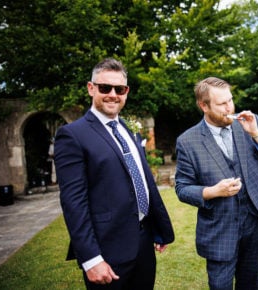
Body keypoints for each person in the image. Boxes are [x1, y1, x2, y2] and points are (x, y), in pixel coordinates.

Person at [54, 58, 174, 289]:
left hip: (143, 243)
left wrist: (158, 228)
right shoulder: (72, 135)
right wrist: (91, 259)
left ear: (126, 91)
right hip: (107, 251)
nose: (113, 94)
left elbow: (143, 179)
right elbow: (73, 202)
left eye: (119, 89)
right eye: (104, 88)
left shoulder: (124, 129)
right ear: (91, 88)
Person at [175, 77, 258, 290]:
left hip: (255, 225)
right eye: (222, 104)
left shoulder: (249, 124)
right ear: (204, 106)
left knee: (250, 285)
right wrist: (212, 191)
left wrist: (256, 133)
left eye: (230, 100)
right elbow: (182, 188)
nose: (230, 107)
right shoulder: (187, 141)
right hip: (219, 228)